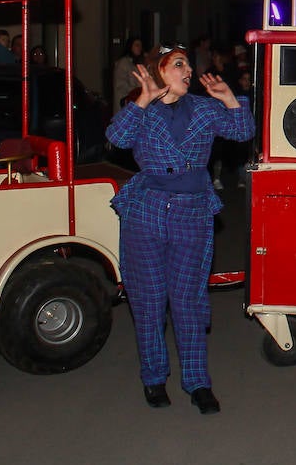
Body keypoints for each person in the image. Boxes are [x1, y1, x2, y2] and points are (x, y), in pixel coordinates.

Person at [105, 45, 254, 415]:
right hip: (147, 212)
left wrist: (229, 97)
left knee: (188, 301)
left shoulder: (203, 108)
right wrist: (142, 98)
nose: (189, 71)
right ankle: (154, 377)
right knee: (149, 300)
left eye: (188, 64)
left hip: (192, 212)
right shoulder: (141, 110)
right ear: (158, 71)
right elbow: (117, 139)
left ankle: (197, 382)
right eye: (179, 65)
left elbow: (243, 131)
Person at [113, 37, 146, 113]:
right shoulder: (123, 63)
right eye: (137, 45)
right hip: (126, 103)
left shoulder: (139, 63)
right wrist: (137, 91)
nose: (139, 48)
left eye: (140, 46)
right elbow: (120, 85)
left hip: (137, 102)